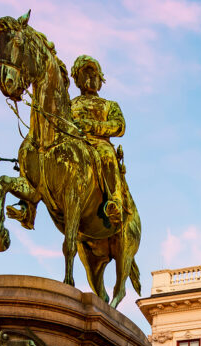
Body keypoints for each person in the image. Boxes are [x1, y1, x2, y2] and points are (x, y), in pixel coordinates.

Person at [70, 55, 128, 225]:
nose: (90, 77)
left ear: (101, 80)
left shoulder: (109, 105)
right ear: (77, 78)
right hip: (73, 145)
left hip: (99, 144)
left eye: (94, 73)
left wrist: (91, 125)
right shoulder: (68, 105)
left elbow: (119, 126)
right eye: (85, 73)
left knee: (107, 154)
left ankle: (115, 201)